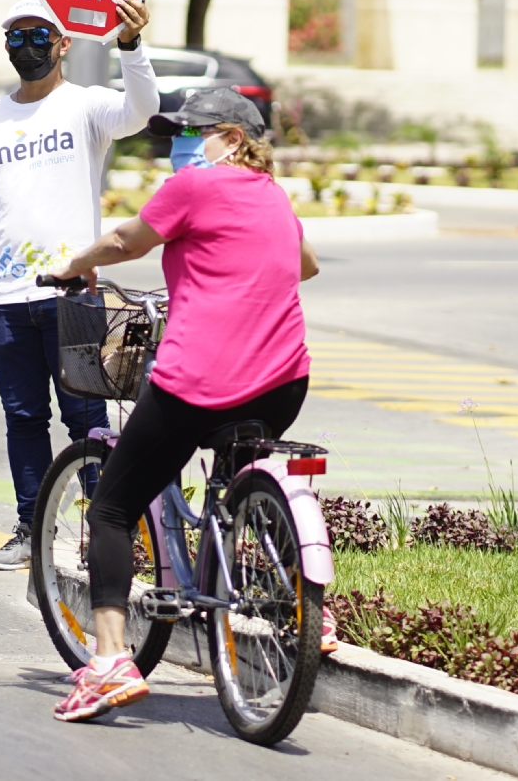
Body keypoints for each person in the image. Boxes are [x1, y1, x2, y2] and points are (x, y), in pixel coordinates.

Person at [41, 88, 324, 722]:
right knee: (234, 479)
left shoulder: (195, 190)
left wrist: (75, 265)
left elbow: (125, 242)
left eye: (190, 134)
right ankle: (300, 603)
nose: (179, 148)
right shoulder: (276, 197)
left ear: (229, 136)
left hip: (200, 381)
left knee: (113, 505)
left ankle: (110, 662)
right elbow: (304, 266)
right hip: (282, 384)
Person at [0, 0, 158, 570]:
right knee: (23, 419)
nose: (28, 47)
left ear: (64, 45)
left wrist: (132, 47)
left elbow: (141, 111)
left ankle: (106, 534)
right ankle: (30, 530)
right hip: (6, 300)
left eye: (39, 36)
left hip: (71, 296)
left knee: (86, 418)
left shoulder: (85, 108)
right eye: (16, 37)